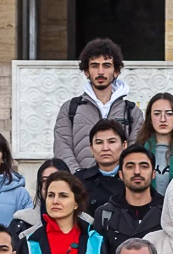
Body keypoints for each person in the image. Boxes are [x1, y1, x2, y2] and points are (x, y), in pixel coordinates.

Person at [52, 37, 141, 170]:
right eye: (94, 65)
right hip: (80, 186)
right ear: (86, 71)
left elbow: (136, 151)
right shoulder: (70, 109)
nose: (100, 72)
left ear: (116, 71)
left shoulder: (132, 111)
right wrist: (78, 178)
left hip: (121, 185)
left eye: (106, 65)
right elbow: (62, 148)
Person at [91, 147, 165, 254]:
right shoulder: (104, 214)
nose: (137, 172)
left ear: (153, 174)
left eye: (144, 166)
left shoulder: (168, 212)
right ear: (121, 174)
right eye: (130, 166)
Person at [137, 92, 173, 195]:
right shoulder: (139, 150)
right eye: (157, 114)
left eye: (169, 113)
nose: (163, 119)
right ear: (150, 118)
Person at [76, 118, 128, 208]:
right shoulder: (79, 180)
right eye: (99, 143)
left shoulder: (133, 178)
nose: (105, 148)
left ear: (124, 145)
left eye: (111, 142)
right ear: (91, 148)